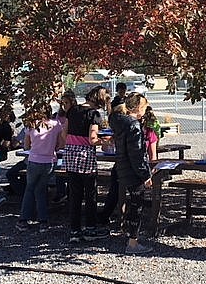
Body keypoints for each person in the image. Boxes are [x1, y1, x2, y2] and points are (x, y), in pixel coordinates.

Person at [61, 85, 111, 242]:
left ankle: (74, 231)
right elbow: (92, 139)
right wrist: (106, 142)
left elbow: (64, 134)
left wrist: (72, 143)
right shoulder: (93, 114)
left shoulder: (72, 110)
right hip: (85, 156)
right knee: (90, 195)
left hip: (70, 154)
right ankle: (90, 229)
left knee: (74, 194)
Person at [110, 93, 153, 254]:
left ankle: (128, 235)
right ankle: (132, 242)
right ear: (138, 108)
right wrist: (146, 175)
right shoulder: (133, 125)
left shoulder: (119, 121)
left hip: (122, 166)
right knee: (137, 205)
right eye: (144, 108)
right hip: (133, 171)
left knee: (130, 203)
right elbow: (137, 154)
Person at [16, 103, 64, 233]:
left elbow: (26, 146)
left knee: (30, 189)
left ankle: (23, 219)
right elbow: (60, 144)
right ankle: (43, 221)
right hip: (49, 161)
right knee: (41, 190)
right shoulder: (56, 124)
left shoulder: (31, 125)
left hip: (34, 160)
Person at [51, 89, 77, 204]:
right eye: (62, 103)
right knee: (59, 168)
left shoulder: (75, 115)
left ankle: (70, 193)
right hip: (59, 149)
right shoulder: (57, 116)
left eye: (66, 103)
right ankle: (61, 192)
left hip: (71, 148)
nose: (64, 105)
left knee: (68, 170)